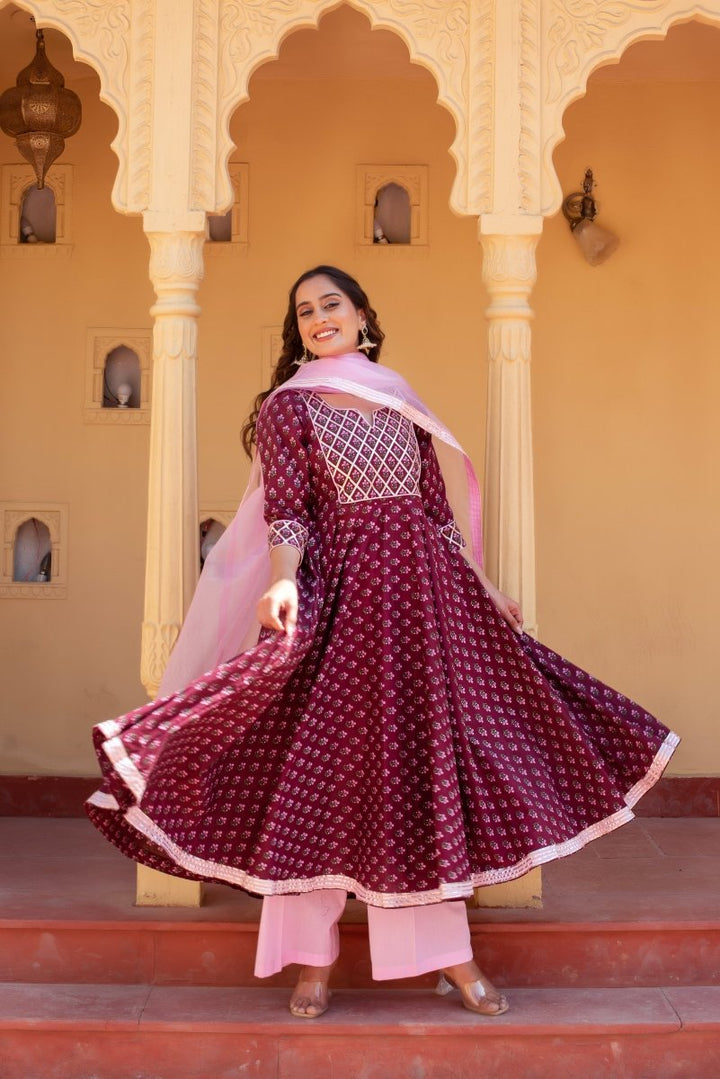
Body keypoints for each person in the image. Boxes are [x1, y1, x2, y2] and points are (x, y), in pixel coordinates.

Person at [87, 265, 679, 1020]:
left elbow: (432, 511)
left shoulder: (398, 398)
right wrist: (283, 580)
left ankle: (448, 957)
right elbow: (291, 511)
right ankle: (312, 959)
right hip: (344, 605)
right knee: (322, 776)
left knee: (419, 772)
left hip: (427, 604)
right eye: (304, 311)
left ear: (364, 314)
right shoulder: (288, 407)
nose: (317, 317)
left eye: (331, 304)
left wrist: (483, 583)